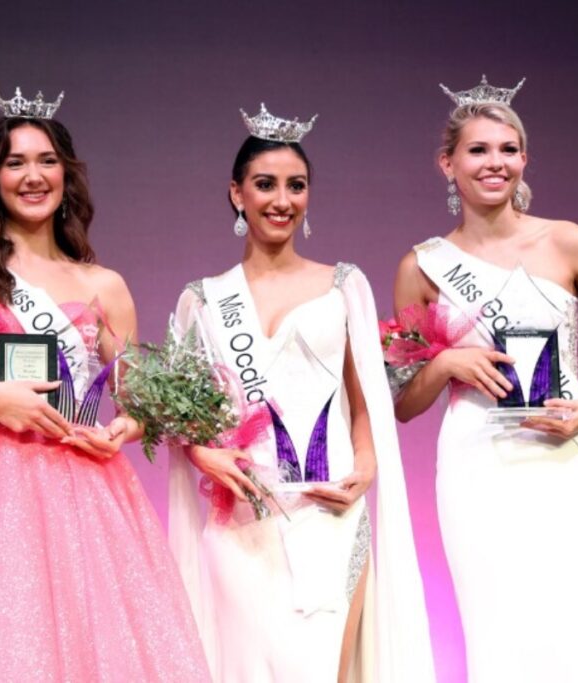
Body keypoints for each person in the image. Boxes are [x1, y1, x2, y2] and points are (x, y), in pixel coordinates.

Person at [0, 87, 210, 682]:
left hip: (81, 480)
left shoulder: (105, 284)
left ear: (67, 175)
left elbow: (142, 401)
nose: (32, 176)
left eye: (46, 161)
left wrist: (126, 428)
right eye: (15, 163)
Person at [168, 104, 435, 682]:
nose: (281, 200)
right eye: (265, 185)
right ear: (237, 193)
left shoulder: (344, 285)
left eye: (297, 185)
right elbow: (181, 418)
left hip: (328, 512)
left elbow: (364, 400)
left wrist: (365, 467)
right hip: (242, 519)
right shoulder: (205, 299)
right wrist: (200, 453)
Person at [393, 75, 578, 682]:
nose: (495, 163)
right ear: (447, 164)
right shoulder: (423, 266)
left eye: (507, 149)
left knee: (572, 628)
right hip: (477, 467)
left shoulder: (568, 241)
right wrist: (444, 364)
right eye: (477, 150)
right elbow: (404, 404)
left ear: (523, 159)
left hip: (563, 452)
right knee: (497, 635)